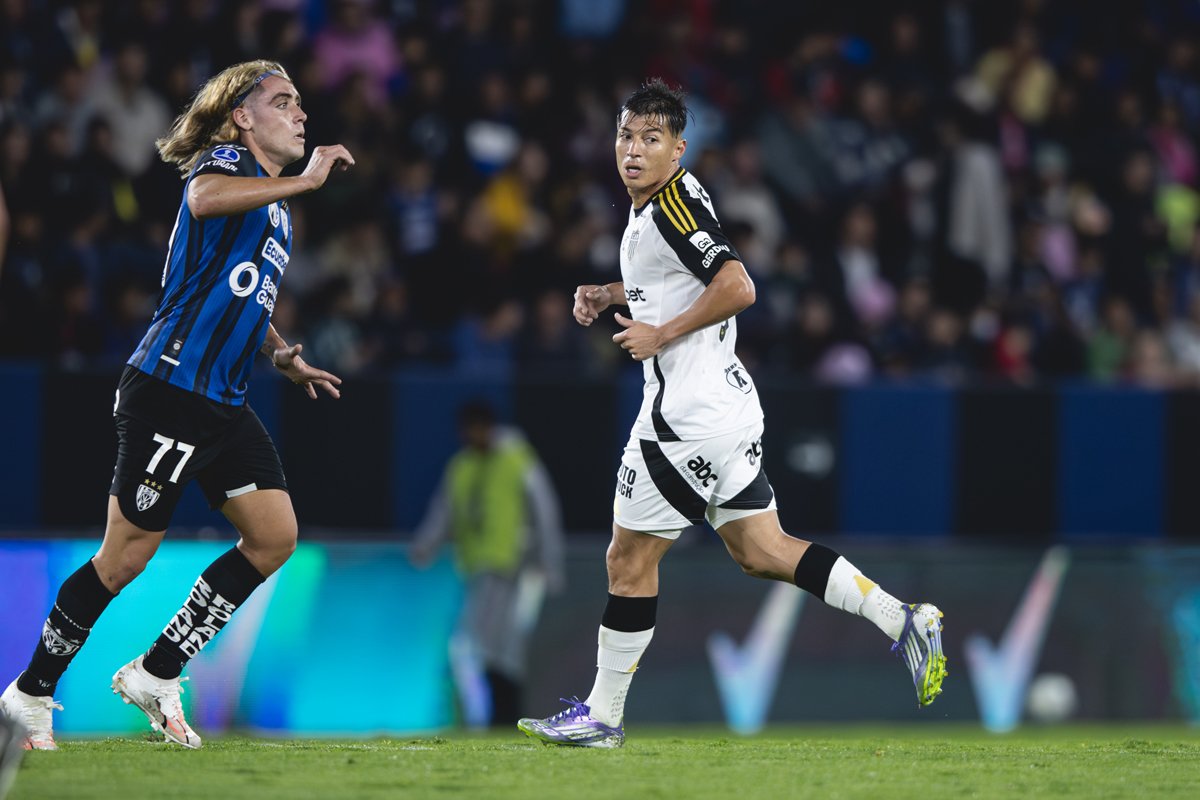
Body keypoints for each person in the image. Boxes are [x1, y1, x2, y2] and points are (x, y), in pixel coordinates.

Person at [517, 80, 947, 749]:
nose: (633, 150)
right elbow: (678, 278)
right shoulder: (668, 201)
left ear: (678, 147)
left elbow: (738, 285)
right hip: (728, 406)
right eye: (626, 135)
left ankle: (603, 716)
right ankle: (904, 620)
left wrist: (661, 335)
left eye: (650, 139)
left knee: (627, 562)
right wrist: (610, 294)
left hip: (684, 418)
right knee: (762, 550)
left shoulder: (670, 208)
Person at [0, 60, 355, 750]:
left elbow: (236, 287)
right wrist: (307, 178)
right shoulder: (228, 164)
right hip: (170, 388)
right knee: (124, 557)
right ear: (243, 117)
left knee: (275, 536)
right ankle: (27, 695)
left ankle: (158, 673)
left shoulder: (271, 203)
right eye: (284, 102)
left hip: (224, 398)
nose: (301, 115)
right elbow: (201, 200)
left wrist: (277, 350)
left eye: (301, 103)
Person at [411, 400, 565, 727]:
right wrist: (426, 544)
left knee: (506, 647)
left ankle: (507, 715)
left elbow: (544, 509)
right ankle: (498, 717)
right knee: (487, 647)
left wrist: (550, 563)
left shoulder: (516, 458)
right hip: (478, 568)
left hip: (516, 567)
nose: (472, 435)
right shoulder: (462, 466)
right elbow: (445, 511)